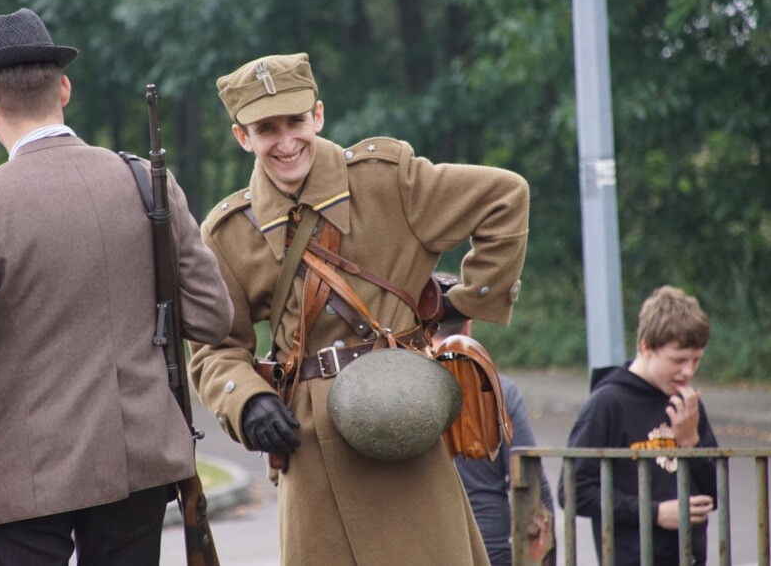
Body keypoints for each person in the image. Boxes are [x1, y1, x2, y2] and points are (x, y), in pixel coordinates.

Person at [0, 8, 233, 566]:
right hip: (137, 458)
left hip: (24, 471)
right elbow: (213, 318)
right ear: (64, 88)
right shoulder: (145, 180)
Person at [189, 52, 530, 564]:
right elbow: (216, 348)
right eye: (266, 129)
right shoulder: (229, 233)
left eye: (296, 122)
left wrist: (464, 302)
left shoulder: (387, 179)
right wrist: (248, 400)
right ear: (243, 137)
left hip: (405, 420)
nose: (285, 143)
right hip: (311, 445)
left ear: (318, 115)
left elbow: (505, 197)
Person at [561, 285, 717, 565]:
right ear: (646, 346)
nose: (689, 371)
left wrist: (691, 442)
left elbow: (714, 494)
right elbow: (573, 491)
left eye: (696, 361)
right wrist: (653, 512)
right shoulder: (607, 403)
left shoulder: (687, 402)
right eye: (679, 360)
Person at [436, 272, 555, 566]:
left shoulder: (396, 392)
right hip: (489, 548)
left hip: (423, 546)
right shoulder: (499, 389)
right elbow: (530, 479)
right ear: (469, 325)